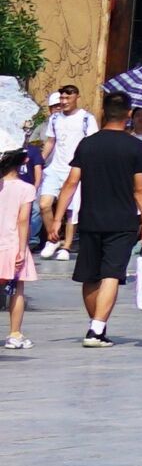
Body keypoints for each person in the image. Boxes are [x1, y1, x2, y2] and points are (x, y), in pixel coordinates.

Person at [62, 94, 142, 344]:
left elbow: (71, 182)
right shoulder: (135, 146)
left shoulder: (87, 144)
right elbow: (141, 189)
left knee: (90, 275)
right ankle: (97, 329)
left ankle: (97, 325)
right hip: (122, 220)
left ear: (103, 112)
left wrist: (57, 218)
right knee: (112, 274)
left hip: (90, 219)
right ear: (128, 114)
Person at [0, 141, 41, 355]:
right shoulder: (26, 188)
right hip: (12, 244)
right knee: (17, 290)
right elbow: (23, 220)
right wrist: (22, 249)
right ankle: (15, 334)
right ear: (23, 161)